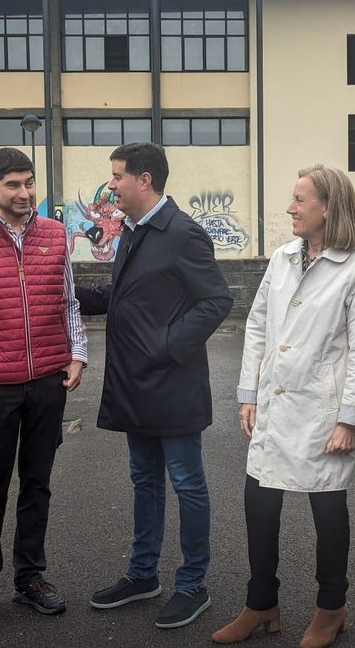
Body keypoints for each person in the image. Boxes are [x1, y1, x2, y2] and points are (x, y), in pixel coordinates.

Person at [213, 165, 355, 648]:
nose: (289, 207)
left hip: (323, 413)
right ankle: (261, 603)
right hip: (274, 404)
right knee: (259, 505)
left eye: (299, 199)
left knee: (328, 513)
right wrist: (248, 394)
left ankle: (332, 607)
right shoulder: (283, 258)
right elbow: (258, 326)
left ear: (327, 207)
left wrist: (351, 418)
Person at [76, 142, 232, 630]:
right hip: (134, 384)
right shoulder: (132, 232)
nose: (111, 185)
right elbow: (121, 297)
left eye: (118, 176)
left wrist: (166, 346)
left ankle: (192, 584)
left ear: (145, 180)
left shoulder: (183, 233)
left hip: (172, 383)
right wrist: (68, 294)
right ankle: (143, 574)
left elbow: (216, 301)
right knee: (144, 480)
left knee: (187, 483)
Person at [0, 148, 87, 629]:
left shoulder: (56, 234)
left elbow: (69, 300)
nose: (24, 194)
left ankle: (30, 578)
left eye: (29, 184)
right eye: (13, 185)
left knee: (38, 483)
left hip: (48, 378)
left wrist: (78, 353)